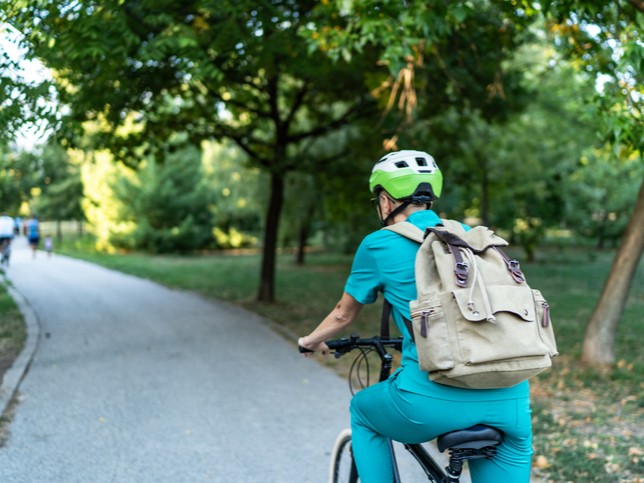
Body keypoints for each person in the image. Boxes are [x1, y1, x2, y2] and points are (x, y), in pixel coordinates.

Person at [298, 150, 533, 482]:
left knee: (363, 411)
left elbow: (342, 315)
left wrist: (309, 342)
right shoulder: (472, 236)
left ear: (384, 200)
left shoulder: (379, 244)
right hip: (511, 395)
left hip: (429, 400)